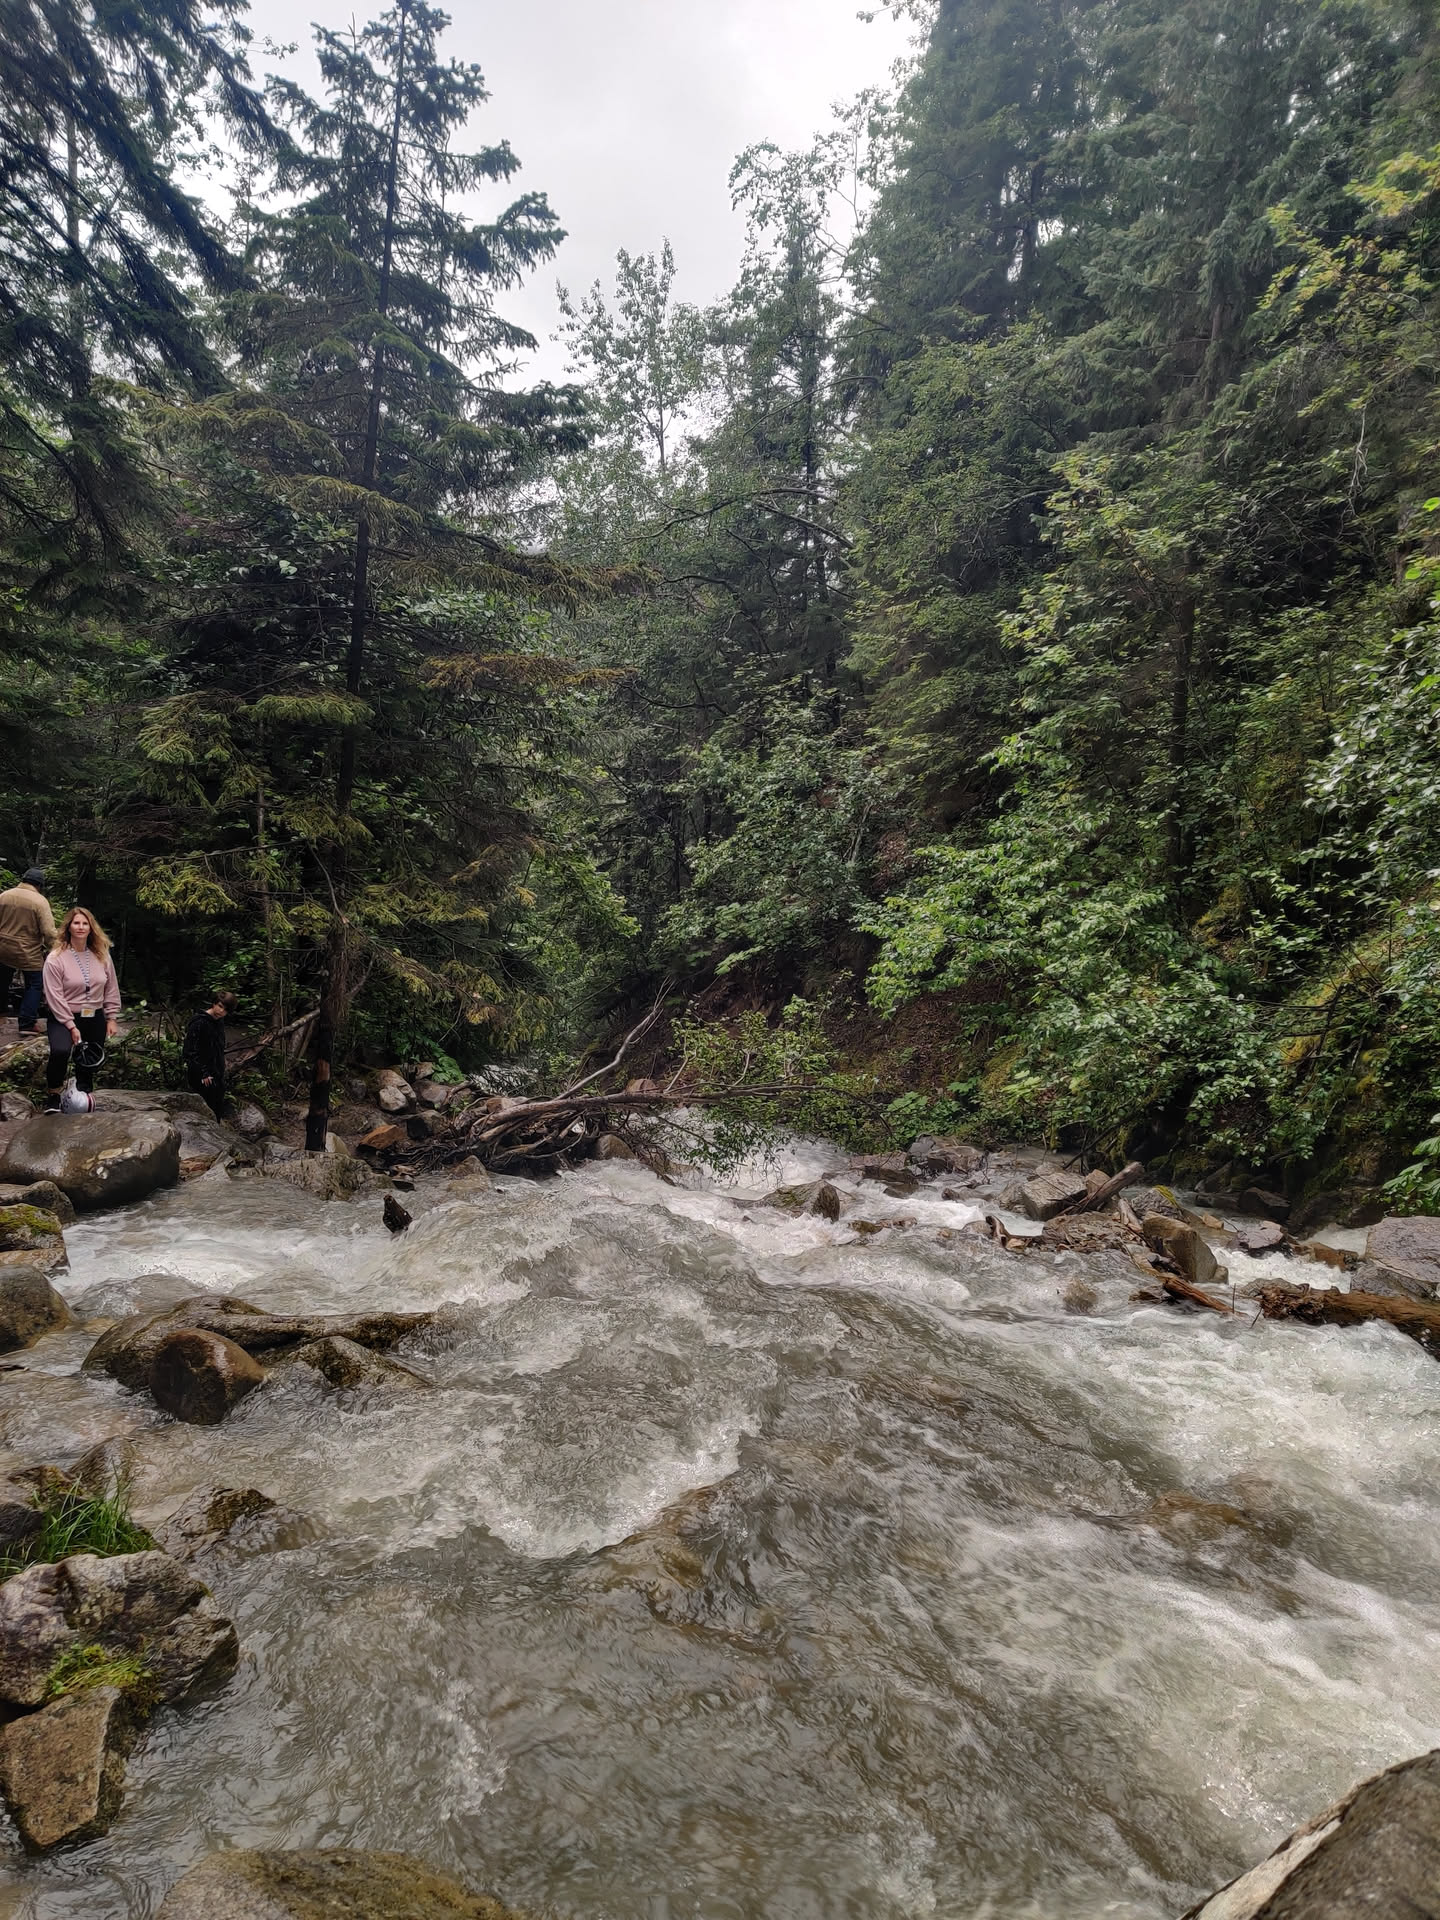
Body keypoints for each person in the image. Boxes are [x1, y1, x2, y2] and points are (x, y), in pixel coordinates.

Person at [41, 907, 120, 1112]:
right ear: (68, 927)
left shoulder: (102, 955)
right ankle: (54, 1094)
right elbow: (54, 995)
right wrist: (70, 1025)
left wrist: (111, 1017)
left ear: (91, 928)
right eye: (76, 923)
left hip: (94, 1016)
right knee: (60, 1051)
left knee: (89, 1057)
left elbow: (111, 987)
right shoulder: (56, 958)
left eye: (85, 923)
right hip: (63, 1015)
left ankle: (83, 1096)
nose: (81, 927)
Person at [0, 868, 56, 1035]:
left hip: (2, 947)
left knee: (2, 980)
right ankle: (27, 1023)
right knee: (35, 984)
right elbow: (48, 931)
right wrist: (56, 950)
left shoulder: (4, 896)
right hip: (27, 951)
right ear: (39, 885)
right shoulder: (40, 901)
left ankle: (1, 1012)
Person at [183, 991, 237, 1119]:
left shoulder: (219, 1022)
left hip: (216, 1072)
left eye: (225, 1010)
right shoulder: (199, 1022)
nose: (221, 1011)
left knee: (216, 1109)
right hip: (201, 1074)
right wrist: (203, 1073)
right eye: (220, 1006)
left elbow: (218, 1048)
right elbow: (189, 1051)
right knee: (204, 1111)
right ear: (214, 1003)